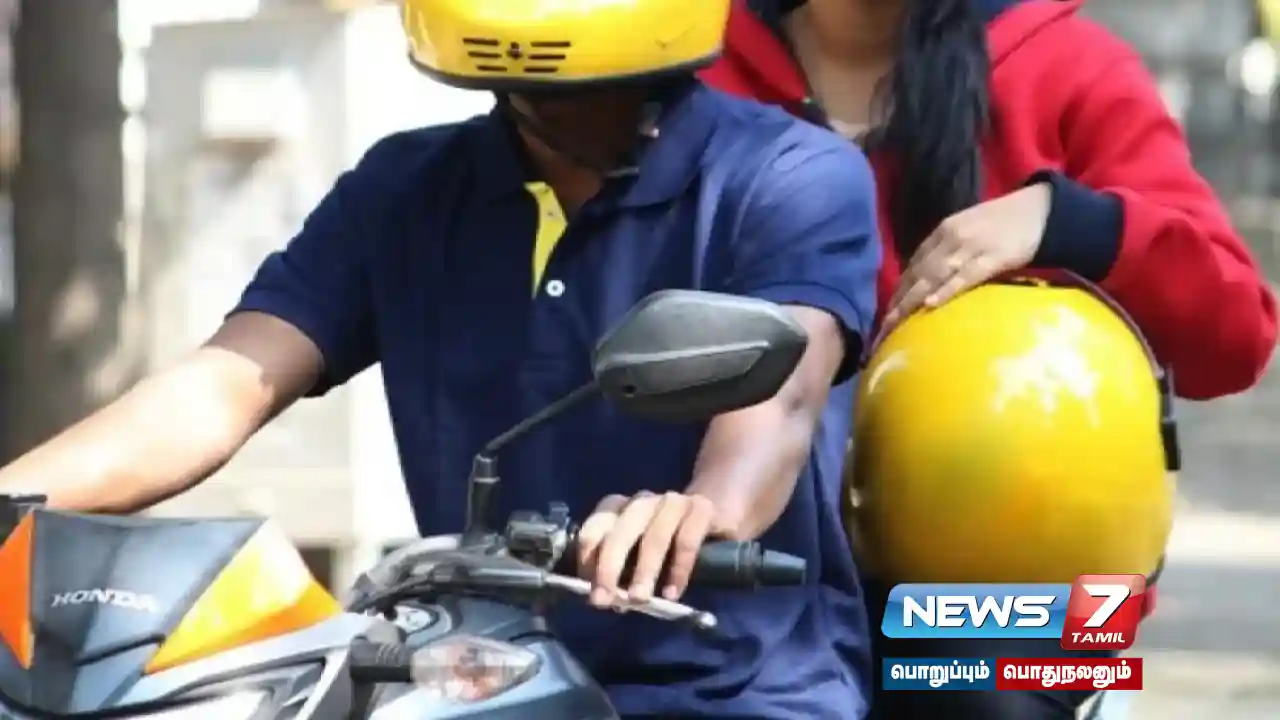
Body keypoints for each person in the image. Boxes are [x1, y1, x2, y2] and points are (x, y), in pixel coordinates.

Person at [0, 1, 882, 718]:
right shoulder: (406, 190)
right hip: (479, 682)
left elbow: (780, 402)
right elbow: (223, 385)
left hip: (728, 690)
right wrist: (11, 495)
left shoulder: (789, 176)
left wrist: (699, 511)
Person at [699, 0, 1278, 718]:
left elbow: (1237, 336)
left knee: (979, 697)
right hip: (744, 569)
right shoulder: (691, 69)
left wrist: (1071, 222)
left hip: (1023, 607)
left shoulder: (1069, 66)